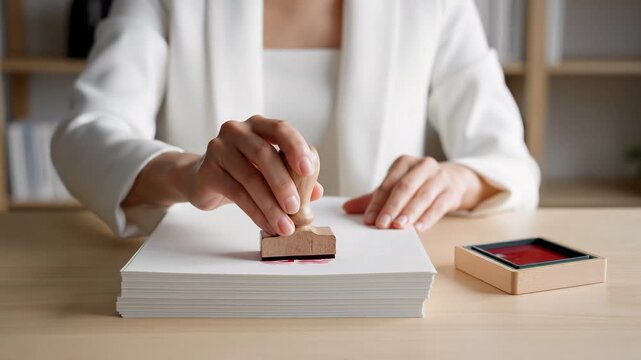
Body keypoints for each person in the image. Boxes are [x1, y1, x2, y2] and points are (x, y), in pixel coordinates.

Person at [52, 0, 540, 238]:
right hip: (208, 291)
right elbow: (84, 134)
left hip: (377, 303)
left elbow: (510, 162)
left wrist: (455, 181)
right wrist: (186, 174)